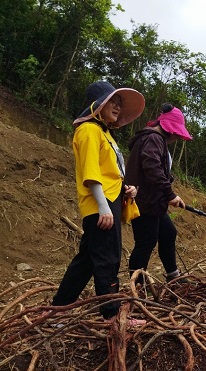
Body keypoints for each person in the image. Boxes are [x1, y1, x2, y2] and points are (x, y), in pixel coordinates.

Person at [51, 80, 146, 325]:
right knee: (107, 258)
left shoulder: (104, 132)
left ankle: (57, 311)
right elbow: (90, 172)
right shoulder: (89, 131)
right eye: (112, 101)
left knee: (87, 260)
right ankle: (112, 315)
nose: (117, 106)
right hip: (99, 205)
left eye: (119, 103)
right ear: (98, 104)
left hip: (109, 200)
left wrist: (126, 189)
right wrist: (103, 206)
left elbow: (109, 172)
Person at [125, 103, 192, 284]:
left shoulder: (152, 138)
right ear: (168, 127)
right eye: (176, 132)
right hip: (144, 202)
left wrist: (167, 195)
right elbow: (152, 167)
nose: (176, 137)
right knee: (145, 243)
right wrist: (170, 194)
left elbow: (156, 170)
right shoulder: (154, 138)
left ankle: (173, 275)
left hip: (153, 202)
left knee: (168, 233)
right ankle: (137, 286)